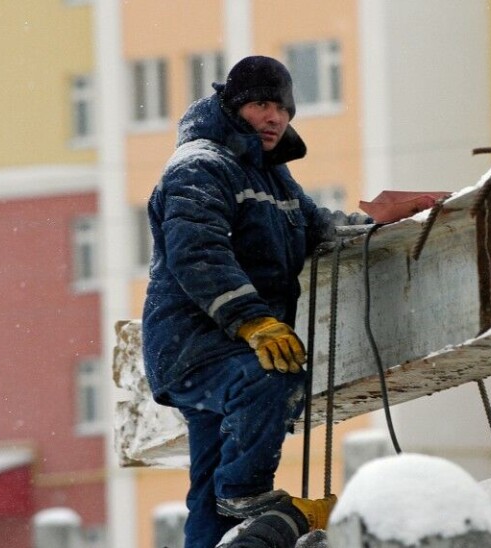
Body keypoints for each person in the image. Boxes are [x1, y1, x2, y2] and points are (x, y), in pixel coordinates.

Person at [142, 55, 368, 547]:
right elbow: (197, 251)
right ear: (233, 107)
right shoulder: (200, 166)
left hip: (222, 348)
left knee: (208, 493)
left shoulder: (272, 176)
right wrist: (254, 322)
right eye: (262, 105)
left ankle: (219, 528)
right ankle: (246, 495)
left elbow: (315, 226)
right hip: (196, 346)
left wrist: (374, 224)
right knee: (272, 375)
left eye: (284, 109)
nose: (275, 119)